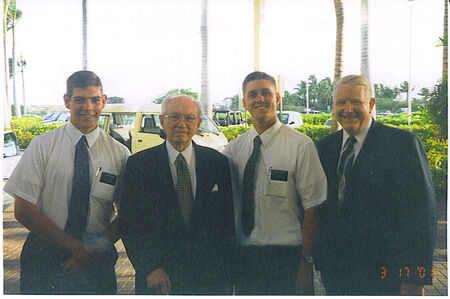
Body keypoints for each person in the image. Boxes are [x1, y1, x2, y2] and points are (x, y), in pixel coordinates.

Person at [4, 71, 130, 294]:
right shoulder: (42, 146)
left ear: (104, 101)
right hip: (45, 254)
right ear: (66, 101)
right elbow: (22, 209)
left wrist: (90, 251)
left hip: (96, 259)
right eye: (79, 100)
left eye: (94, 100)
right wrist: (74, 247)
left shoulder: (119, 153)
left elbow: (126, 214)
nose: (88, 107)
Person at [315, 74, 437, 295]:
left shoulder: (402, 145)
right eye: (341, 102)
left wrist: (413, 279)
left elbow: (420, 217)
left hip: (385, 277)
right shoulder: (324, 148)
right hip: (336, 275)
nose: (348, 109)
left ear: (371, 104)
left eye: (356, 101)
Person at [223, 71, 327, 295]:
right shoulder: (234, 149)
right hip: (246, 257)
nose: (259, 99)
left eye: (265, 93)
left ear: (277, 98)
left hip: (287, 258)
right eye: (252, 95)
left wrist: (306, 263)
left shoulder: (301, 146)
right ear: (244, 103)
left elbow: (313, 209)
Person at [119, 94, 235, 295]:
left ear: (198, 123)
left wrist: (227, 275)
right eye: (174, 117)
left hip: (208, 278)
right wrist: (149, 268)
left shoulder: (217, 163)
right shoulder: (139, 165)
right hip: (159, 278)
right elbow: (130, 223)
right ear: (162, 121)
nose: (182, 123)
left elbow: (227, 224)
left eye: (189, 118)